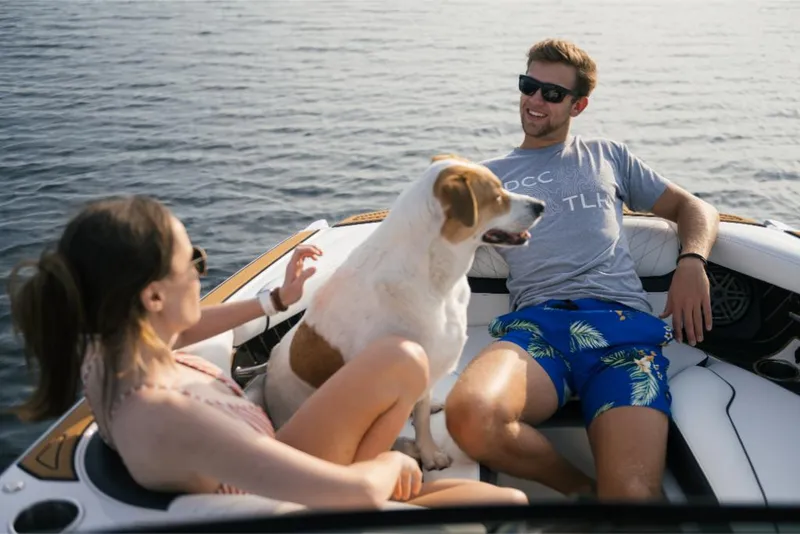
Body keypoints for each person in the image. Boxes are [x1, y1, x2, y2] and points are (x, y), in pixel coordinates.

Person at [6, 195, 528, 510]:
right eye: (196, 260)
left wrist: (274, 300)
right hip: (286, 502)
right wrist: (392, 461)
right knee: (508, 503)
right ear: (154, 295)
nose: (200, 270)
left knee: (403, 359)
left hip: (272, 454)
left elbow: (177, 331)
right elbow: (355, 496)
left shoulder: (108, 350)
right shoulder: (166, 415)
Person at [444, 38, 720, 501]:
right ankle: (580, 495)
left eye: (552, 94)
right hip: (537, 330)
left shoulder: (607, 155)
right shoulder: (486, 178)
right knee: (473, 415)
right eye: (529, 86)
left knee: (634, 498)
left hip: (623, 332)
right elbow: (430, 237)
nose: (535, 101)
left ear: (579, 105)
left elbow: (693, 207)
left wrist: (692, 262)